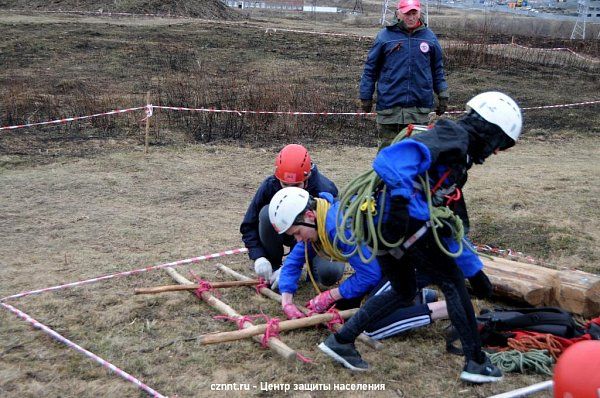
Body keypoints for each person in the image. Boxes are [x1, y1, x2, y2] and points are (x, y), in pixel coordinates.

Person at [318, 91, 523, 384]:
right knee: (452, 283)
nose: (496, 153)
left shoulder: (458, 162)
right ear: (491, 132)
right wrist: (400, 205)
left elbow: (449, 226)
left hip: (385, 227)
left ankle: (341, 341)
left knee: (404, 289)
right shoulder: (454, 137)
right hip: (400, 223)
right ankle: (477, 363)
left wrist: (474, 270)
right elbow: (389, 160)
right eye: (500, 145)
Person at [268, 188, 448, 338]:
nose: (298, 240)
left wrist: (331, 294)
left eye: (297, 232)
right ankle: (418, 298)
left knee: (372, 324)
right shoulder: (319, 221)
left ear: (309, 215)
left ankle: (449, 308)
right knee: (347, 309)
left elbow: (370, 274)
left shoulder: (338, 228)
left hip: (413, 260)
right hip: (393, 261)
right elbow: (293, 261)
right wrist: (287, 301)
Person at [240, 144, 343, 288]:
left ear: (307, 179)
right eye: (285, 184)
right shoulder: (269, 187)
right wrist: (259, 257)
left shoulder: (324, 190)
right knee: (265, 213)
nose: (290, 191)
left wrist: (291, 266)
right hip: (286, 234)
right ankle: (273, 268)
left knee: (328, 273)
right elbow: (248, 226)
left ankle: (312, 272)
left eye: (296, 185)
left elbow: (331, 234)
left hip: (317, 241)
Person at [359, 0, 449, 148]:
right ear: (398, 13)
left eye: (414, 13)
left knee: (416, 155)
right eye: (407, 13)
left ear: (420, 13)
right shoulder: (384, 36)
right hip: (390, 108)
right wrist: (365, 96)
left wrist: (443, 93)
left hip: (419, 109)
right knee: (388, 155)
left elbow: (437, 69)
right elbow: (370, 69)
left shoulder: (430, 37)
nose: (411, 17)